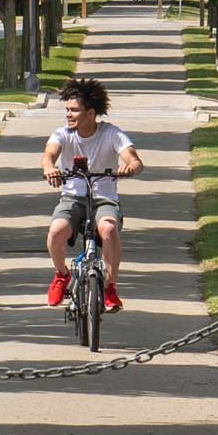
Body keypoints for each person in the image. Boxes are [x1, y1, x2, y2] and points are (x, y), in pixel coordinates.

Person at [41, 77, 143, 311]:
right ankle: (61, 274)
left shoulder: (111, 133)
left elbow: (135, 160)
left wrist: (130, 167)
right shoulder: (63, 134)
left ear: (90, 113)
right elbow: (49, 155)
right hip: (72, 198)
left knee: (108, 229)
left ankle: (110, 287)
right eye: (67, 109)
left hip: (103, 198)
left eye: (74, 110)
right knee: (56, 230)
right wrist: (50, 168)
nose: (69, 115)